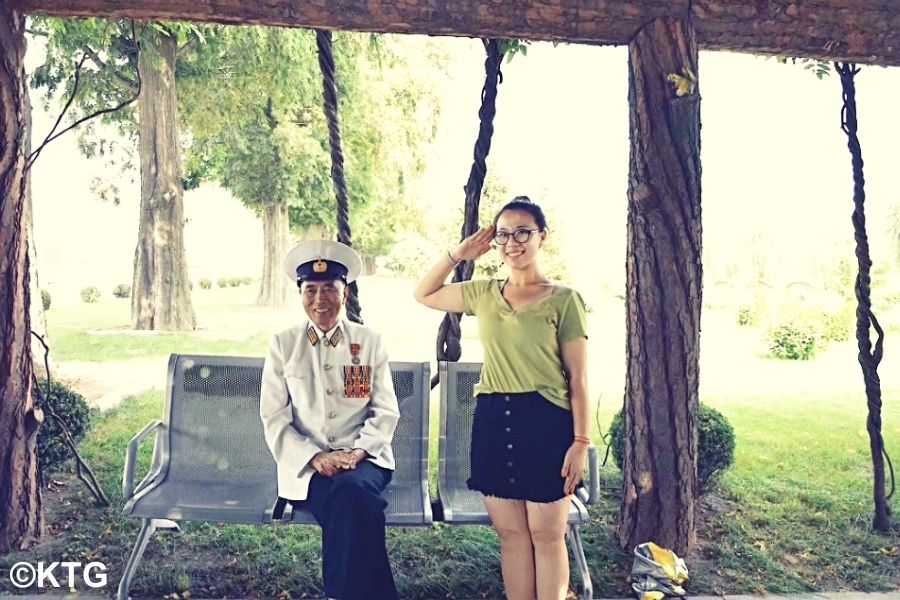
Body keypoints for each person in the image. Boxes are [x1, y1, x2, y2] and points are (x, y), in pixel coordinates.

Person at [414, 196, 590, 600]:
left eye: (523, 233)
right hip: (494, 419)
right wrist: (458, 254)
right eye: (504, 235)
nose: (513, 243)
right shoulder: (483, 293)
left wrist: (581, 442)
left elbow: (578, 377)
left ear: (542, 237)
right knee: (511, 535)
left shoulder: (564, 299)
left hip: (547, 422)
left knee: (547, 535)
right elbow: (425, 293)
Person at [260, 239, 400, 600]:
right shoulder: (284, 344)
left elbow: (385, 410)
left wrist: (357, 453)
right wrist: (316, 457)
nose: (319, 299)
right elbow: (274, 416)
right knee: (353, 499)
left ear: (346, 291)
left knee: (351, 491)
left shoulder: (368, 341)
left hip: (365, 460)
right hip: (307, 466)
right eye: (310, 290)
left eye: (329, 289)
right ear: (300, 293)